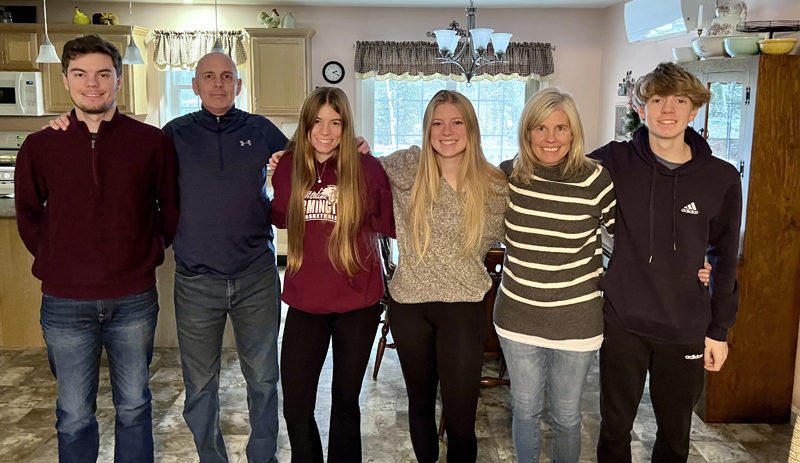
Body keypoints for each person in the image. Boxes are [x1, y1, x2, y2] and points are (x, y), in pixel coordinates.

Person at [14, 35, 179, 463]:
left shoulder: (150, 142)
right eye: (81, 74)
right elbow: (29, 215)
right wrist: (55, 258)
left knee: (135, 406)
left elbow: (170, 206)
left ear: (119, 81)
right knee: (73, 414)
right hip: (64, 302)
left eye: (104, 74)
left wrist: (149, 251)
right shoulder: (40, 146)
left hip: (133, 299)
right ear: (66, 80)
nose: (93, 84)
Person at [591, 62, 742, 462]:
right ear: (641, 109)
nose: (668, 110)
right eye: (657, 99)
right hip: (623, 321)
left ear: (695, 111)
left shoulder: (721, 177)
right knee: (614, 429)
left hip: (685, 326)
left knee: (675, 434)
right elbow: (558, 176)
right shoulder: (614, 161)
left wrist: (720, 330)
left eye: (680, 101)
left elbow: (724, 258)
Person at [379, 90, 508, 462]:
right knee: (419, 404)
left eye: (456, 122)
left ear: (471, 128)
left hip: (464, 310)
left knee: (461, 415)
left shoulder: (496, 186)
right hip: (409, 306)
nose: (446, 131)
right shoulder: (405, 168)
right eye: (437, 123)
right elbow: (357, 165)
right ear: (426, 129)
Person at [270, 86, 394, 462]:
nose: (326, 131)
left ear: (346, 127)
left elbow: (389, 223)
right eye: (318, 122)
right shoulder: (290, 166)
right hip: (306, 301)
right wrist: (274, 172)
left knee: (345, 402)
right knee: (295, 404)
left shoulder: (368, 169)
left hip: (358, 302)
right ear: (306, 125)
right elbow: (279, 216)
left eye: (336, 123)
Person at [493, 88, 616, 463]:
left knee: (566, 416)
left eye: (561, 128)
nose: (550, 138)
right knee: (525, 411)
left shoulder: (596, 180)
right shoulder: (508, 177)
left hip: (577, 320)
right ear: (527, 131)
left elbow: (632, 241)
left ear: (574, 131)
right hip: (518, 315)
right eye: (541, 128)